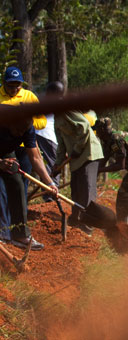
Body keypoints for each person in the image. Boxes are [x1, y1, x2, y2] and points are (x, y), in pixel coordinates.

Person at [0, 66, 47, 240]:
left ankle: (18, 229)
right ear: (4, 84)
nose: (14, 89)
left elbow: (42, 121)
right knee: (2, 190)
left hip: (23, 147)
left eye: (17, 85)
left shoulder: (29, 97)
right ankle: (3, 231)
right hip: (4, 146)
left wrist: (26, 127)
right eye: (10, 86)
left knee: (20, 185)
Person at [0, 111, 58, 250]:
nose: (20, 134)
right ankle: (2, 234)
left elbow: (35, 158)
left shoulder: (27, 128)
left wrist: (49, 182)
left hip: (5, 152)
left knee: (18, 184)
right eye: (18, 130)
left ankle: (20, 235)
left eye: (23, 131)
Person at [52, 82, 103, 236]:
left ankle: (88, 226)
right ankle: (75, 221)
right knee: (76, 189)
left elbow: (85, 128)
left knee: (86, 189)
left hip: (88, 153)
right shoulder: (56, 117)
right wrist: (57, 165)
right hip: (76, 157)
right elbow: (61, 145)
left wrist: (76, 150)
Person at [36, 82, 62, 202]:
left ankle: (48, 194)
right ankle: (52, 196)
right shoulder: (53, 102)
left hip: (37, 134)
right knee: (53, 166)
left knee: (45, 165)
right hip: (47, 136)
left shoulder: (40, 99)